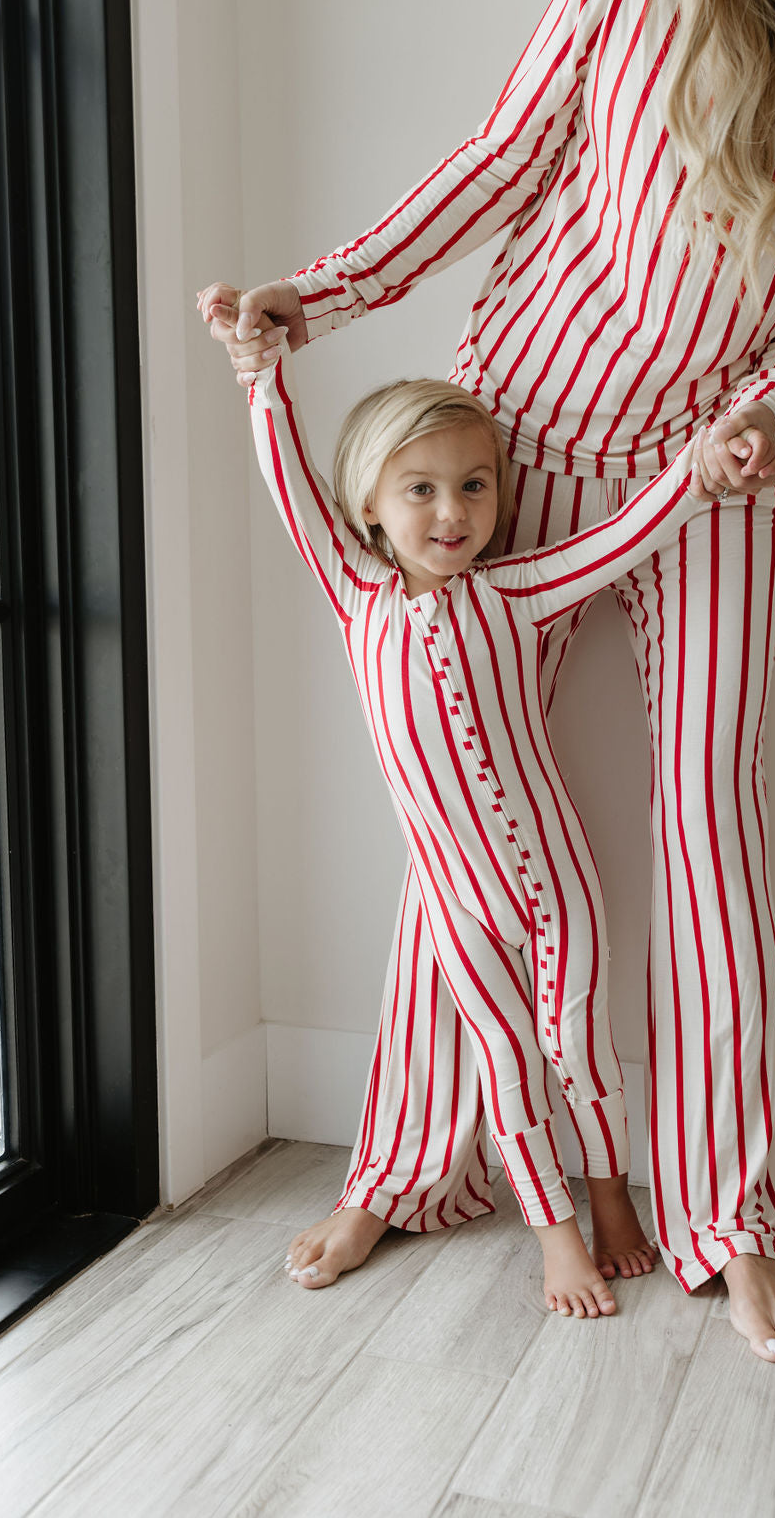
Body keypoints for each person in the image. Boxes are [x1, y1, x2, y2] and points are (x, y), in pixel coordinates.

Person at [199, 0, 775, 1361]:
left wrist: (756, 414)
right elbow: (499, 159)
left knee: (709, 818)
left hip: (718, 470)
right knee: (462, 820)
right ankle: (402, 1165)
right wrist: (317, 298)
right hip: (524, 438)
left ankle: (728, 1222)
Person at [232, 338, 726, 1316]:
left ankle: (613, 1201)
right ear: (367, 504)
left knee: (580, 1046)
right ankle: (556, 1239)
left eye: (473, 484)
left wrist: (701, 473)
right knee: (504, 1058)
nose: (451, 511)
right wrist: (261, 377)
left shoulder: (515, 592)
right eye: (418, 488)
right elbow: (289, 483)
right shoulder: (355, 596)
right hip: (457, 901)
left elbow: (622, 535)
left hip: (560, 885)